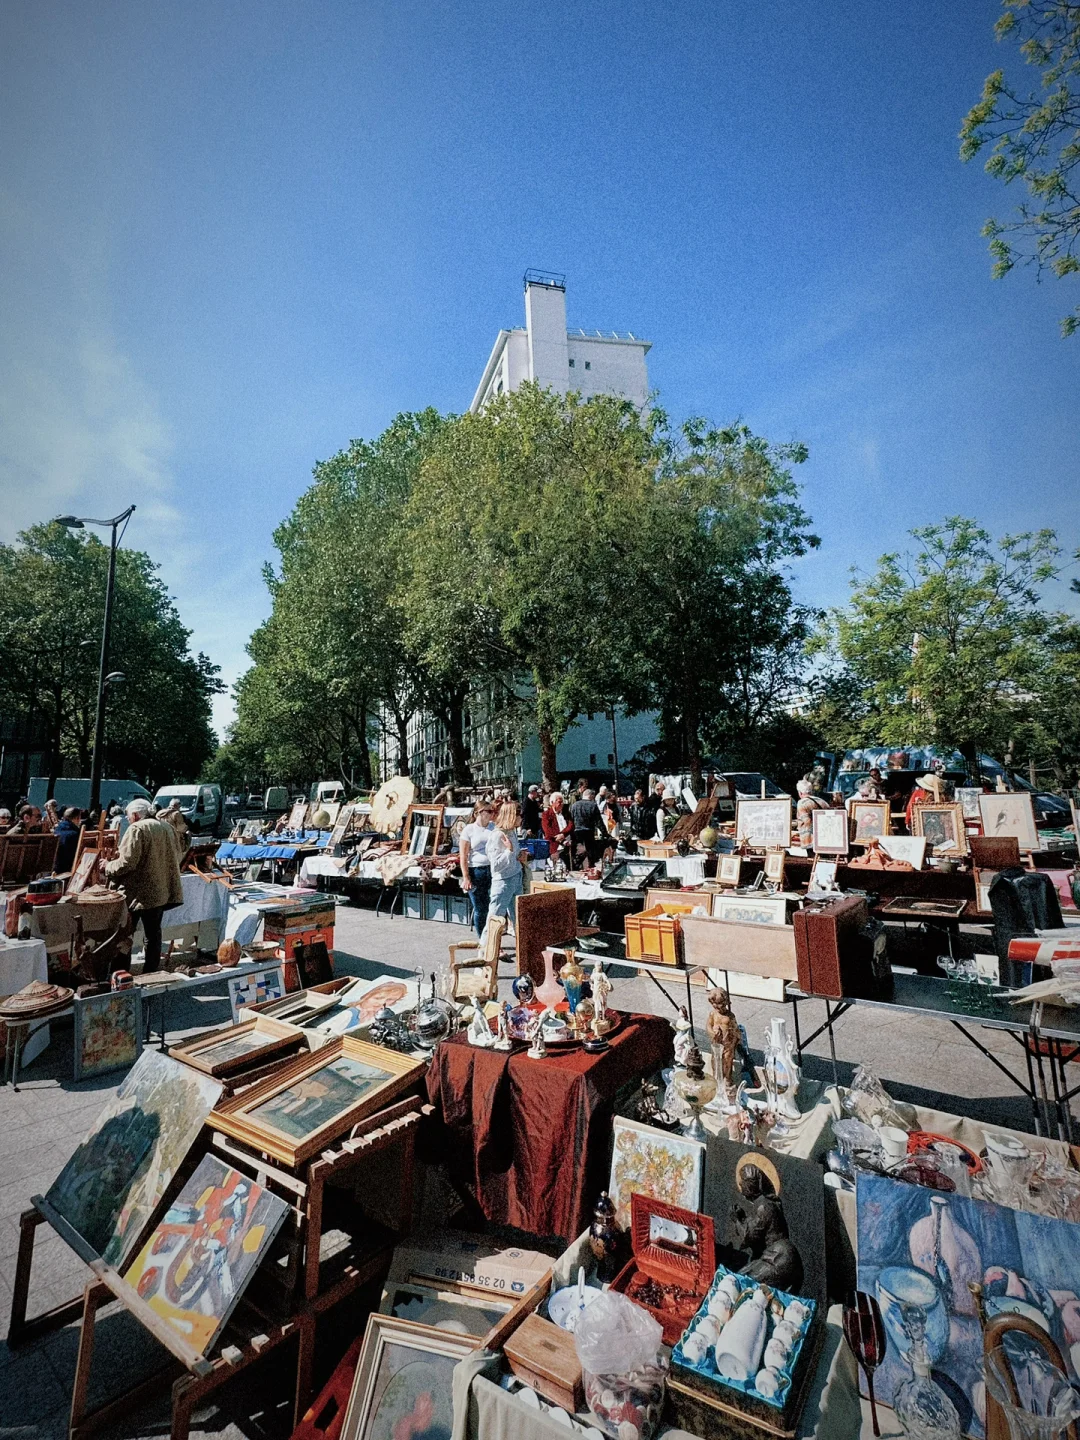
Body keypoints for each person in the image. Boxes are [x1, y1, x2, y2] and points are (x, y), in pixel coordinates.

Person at [104, 798, 184, 973]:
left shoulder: (137, 828)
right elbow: (178, 852)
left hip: (138, 894)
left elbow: (127, 863)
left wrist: (107, 866)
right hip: (160, 891)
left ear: (134, 815)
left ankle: (120, 974)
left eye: (128, 817)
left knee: (125, 935)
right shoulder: (166, 827)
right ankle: (151, 972)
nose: (128, 820)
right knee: (153, 935)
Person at [486, 800, 529, 931]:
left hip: (516, 876)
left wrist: (519, 855)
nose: (521, 818)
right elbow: (496, 866)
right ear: (511, 815)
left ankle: (523, 948)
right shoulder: (497, 835)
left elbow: (512, 856)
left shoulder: (512, 832)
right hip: (503, 882)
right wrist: (509, 852)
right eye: (519, 814)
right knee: (495, 919)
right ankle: (486, 949)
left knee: (519, 918)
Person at [460, 798, 496, 937]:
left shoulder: (494, 827)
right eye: (488, 811)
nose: (492, 814)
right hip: (477, 870)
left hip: (493, 869)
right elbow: (463, 855)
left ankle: (494, 940)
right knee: (480, 908)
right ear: (478, 813)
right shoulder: (469, 830)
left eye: (492, 811)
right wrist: (466, 877)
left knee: (493, 907)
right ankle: (483, 939)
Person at [570, 788, 609, 869]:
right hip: (588, 831)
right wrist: (605, 833)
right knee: (590, 852)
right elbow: (599, 821)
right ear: (591, 796)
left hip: (576, 831)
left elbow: (571, 820)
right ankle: (590, 868)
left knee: (579, 851)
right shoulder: (593, 805)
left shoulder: (574, 805)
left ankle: (577, 866)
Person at [540, 791, 574, 864]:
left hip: (567, 844)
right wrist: (561, 840)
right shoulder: (546, 814)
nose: (561, 804)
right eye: (559, 802)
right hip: (554, 844)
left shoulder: (566, 813)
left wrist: (563, 834)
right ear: (552, 802)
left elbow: (571, 825)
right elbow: (548, 830)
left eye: (562, 802)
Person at [795, 778, 829, 846]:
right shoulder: (822, 801)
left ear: (800, 792)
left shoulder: (802, 803)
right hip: (824, 837)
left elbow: (807, 821)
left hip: (810, 840)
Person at [53, 807, 82, 873]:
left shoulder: (56, 830)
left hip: (54, 867)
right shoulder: (75, 834)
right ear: (76, 818)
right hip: (67, 869)